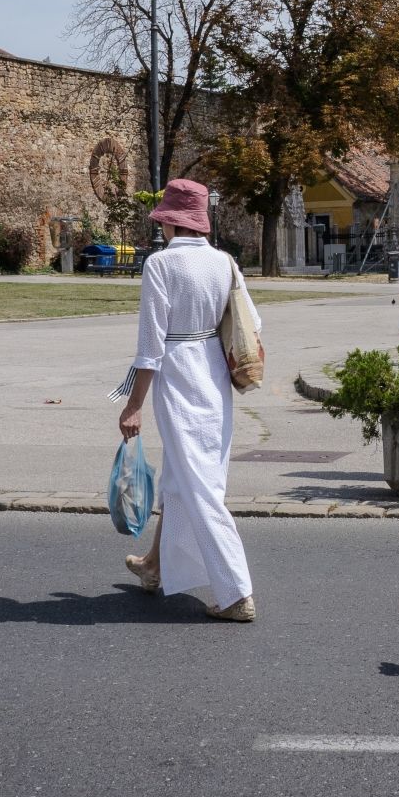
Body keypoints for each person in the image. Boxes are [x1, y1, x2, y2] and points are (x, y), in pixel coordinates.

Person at [119, 178, 259, 623]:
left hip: (178, 374)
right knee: (186, 477)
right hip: (214, 373)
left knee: (199, 486)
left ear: (169, 221)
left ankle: (237, 591)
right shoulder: (225, 262)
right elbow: (252, 322)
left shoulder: (160, 265)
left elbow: (150, 346)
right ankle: (155, 565)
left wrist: (133, 404)